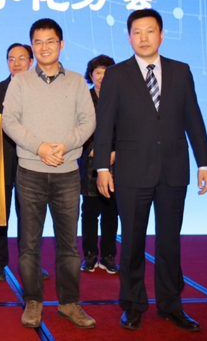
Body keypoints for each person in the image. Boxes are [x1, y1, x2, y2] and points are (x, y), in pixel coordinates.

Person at [94, 9, 207, 332]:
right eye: (137, 32)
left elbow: (193, 118)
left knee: (169, 242)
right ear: (129, 37)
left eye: (150, 31)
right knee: (132, 241)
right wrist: (102, 166)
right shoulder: (116, 74)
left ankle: (171, 305)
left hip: (173, 169)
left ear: (161, 35)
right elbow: (104, 124)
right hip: (131, 171)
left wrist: (203, 162)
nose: (143, 38)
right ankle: (133, 305)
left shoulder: (180, 71)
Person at [2, 18, 96, 329]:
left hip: (67, 173)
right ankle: (33, 301)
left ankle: (69, 303)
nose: (44, 47)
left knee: (69, 245)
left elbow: (88, 122)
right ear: (32, 47)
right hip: (30, 172)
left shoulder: (77, 82)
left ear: (61, 44)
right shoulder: (20, 82)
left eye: (50, 41)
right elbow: (9, 121)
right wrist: (40, 147)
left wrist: (64, 146)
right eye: (38, 42)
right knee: (29, 244)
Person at [79, 55, 119, 274]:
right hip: (90, 163)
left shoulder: (121, 97)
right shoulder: (83, 98)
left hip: (115, 162)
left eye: (106, 72)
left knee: (111, 212)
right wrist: (90, 148)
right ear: (91, 75)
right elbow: (77, 127)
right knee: (90, 212)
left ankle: (109, 256)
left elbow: (127, 128)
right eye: (98, 72)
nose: (102, 77)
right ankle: (90, 254)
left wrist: (116, 151)